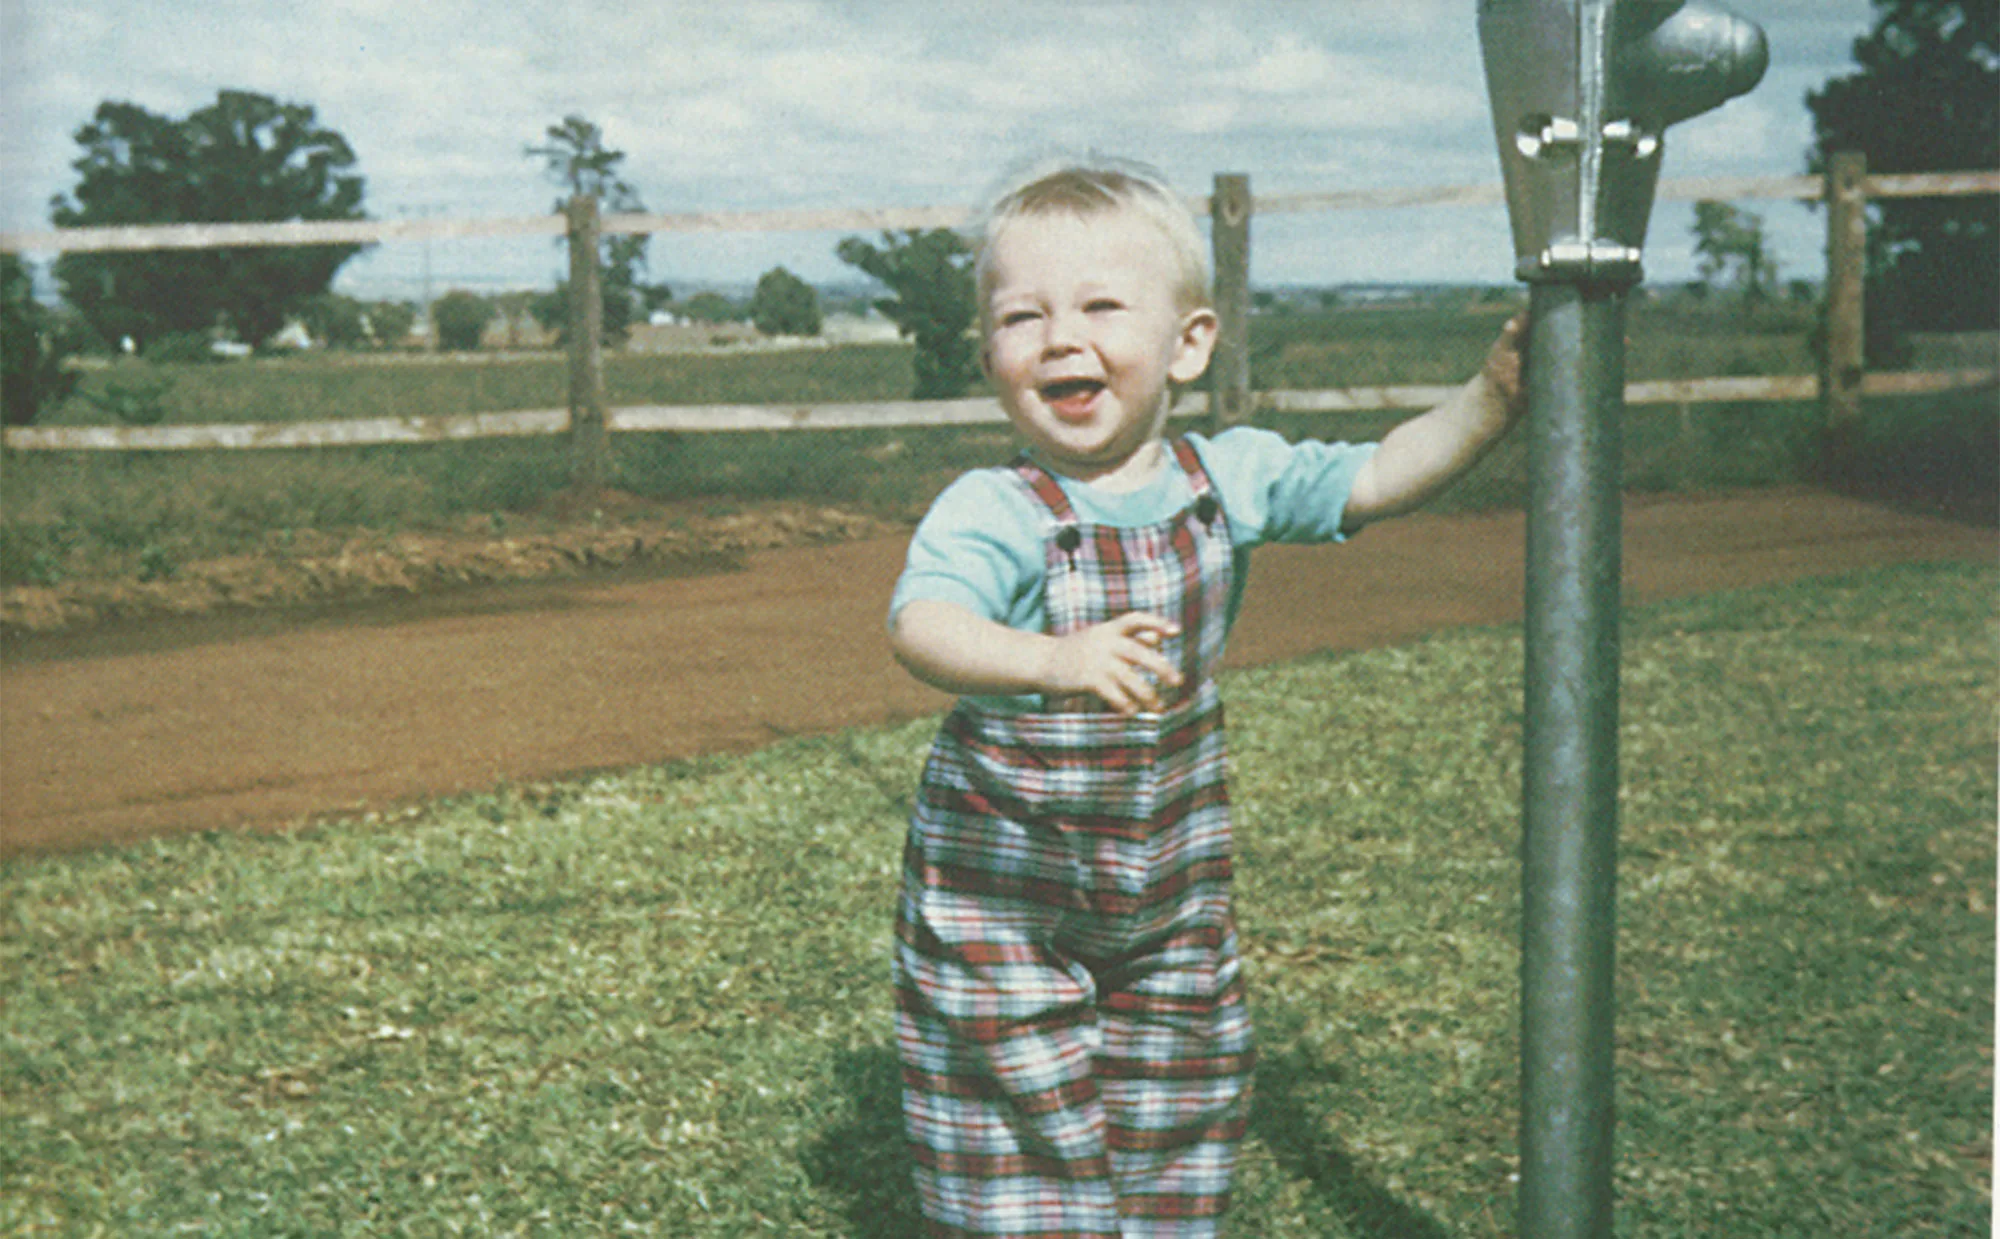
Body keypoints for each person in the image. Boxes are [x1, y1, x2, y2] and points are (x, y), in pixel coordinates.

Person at [887, 155, 1527, 1237]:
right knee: (1012, 1102)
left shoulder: (1222, 478)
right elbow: (922, 625)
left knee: (1177, 1089)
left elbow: (1370, 477)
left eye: (1099, 307)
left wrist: (1489, 402)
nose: (1058, 338)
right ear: (987, 353)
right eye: (1019, 316)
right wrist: (1052, 660)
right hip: (1003, 890)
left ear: (1187, 343)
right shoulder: (991, 508)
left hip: (1168, 877)